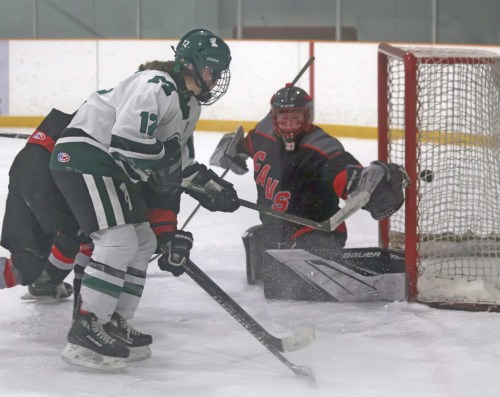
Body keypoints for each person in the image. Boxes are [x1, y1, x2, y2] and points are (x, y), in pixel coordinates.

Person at [49, 28, 239, 370]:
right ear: (190, 64)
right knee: (117, 238)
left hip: (109, 165)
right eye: (211, 69)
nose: (214, 79)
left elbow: (177, 164)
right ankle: (86, 326)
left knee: (141, 240)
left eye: (217, 72)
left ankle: (113, 320)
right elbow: (126, 142)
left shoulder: (189, 104)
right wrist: (168, 159)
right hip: (85, 155)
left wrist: (209, 188)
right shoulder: (155, 84)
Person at [210, 84, 407, 285]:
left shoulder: (321, 145)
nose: (289, 124)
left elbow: (343, 172)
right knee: (272, 283)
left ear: (308, 116)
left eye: (296, 117)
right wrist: (232, 151)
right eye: (282, 117)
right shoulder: (263, 131)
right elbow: (243, 145)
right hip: (275, 230)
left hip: (316, 231)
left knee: (295, 288)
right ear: (273, 116)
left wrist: (366, 186)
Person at [0, 109, 91, 301]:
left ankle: (46, 283)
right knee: (81, 232)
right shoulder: (120, 111)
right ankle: (49, 284)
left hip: (30, 164)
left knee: (26, 265)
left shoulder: (106, 104)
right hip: (45, 171)